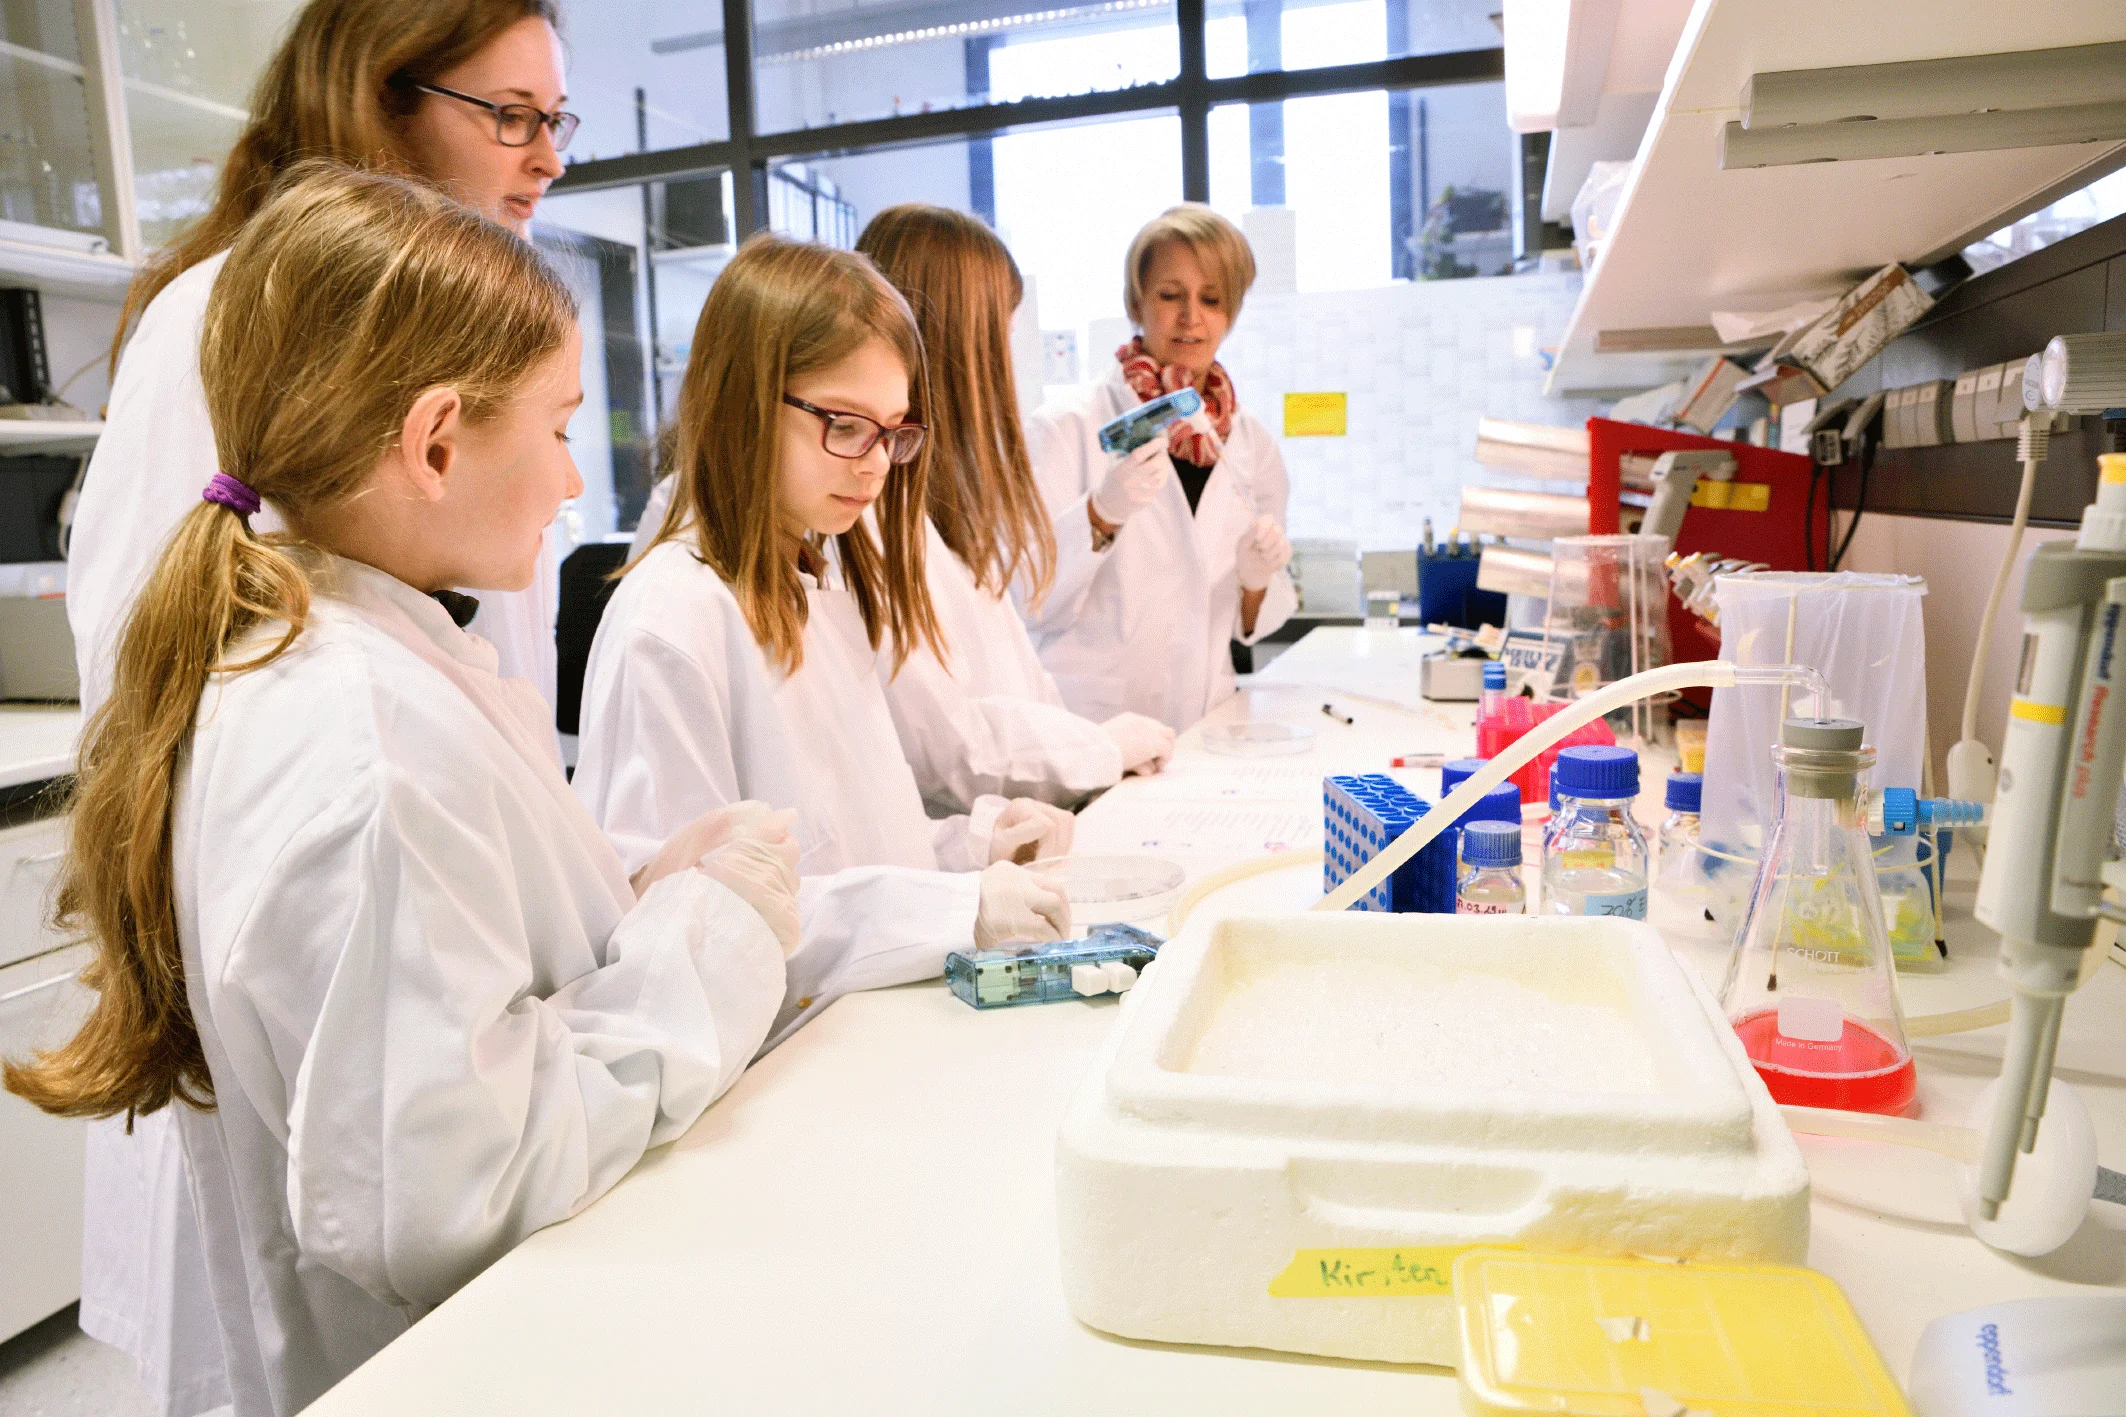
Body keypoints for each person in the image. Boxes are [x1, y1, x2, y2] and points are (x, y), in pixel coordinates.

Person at [7, 166, 807, 1417]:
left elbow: (449, 985)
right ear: (435, 442)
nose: (570, 482)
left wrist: (632, 895)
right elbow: (455, 1193)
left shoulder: (350, 662)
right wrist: (706, 946)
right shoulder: (363, 737)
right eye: (557, 428)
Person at [58, 7, 577, 1410]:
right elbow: (159, 661)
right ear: (379, 93)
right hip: (309, 985)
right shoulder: (232, 314)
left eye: (556, 121)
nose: (544, 157)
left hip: (426, 972)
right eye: (510, 114)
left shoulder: (470, 354)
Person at [573, 236, 1074, 1032]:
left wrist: (974, 848)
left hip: (864, 1025)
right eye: (845, 424)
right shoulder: (671, 621)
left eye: (893, 430)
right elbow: (689, 924)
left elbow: (848, 843)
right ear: (744, 400)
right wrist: (957, 907)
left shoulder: (819, 578)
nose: (876, 465)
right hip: (772, 1057)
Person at [853, 204, 1174, 813]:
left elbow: (1006, 670)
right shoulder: (871, 512)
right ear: (960, 337)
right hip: (974, 828)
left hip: (1030, 797)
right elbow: (943, 746)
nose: (1007, 352)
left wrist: (1086, 750)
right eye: (1000, 328)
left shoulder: (942, 493)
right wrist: (1097, 749)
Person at [1021, 204, 1297, 731]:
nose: (1191, 317)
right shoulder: (1067, 426)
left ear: (1231, 313)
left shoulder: (1251, 445)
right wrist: (1100, 517)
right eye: (1171, 295)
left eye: (1211, 299)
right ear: (1136, 302)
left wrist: (1256, 580)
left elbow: (1252, 624)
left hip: (1205, 722)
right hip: (1096, 727)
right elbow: (1028, 601)